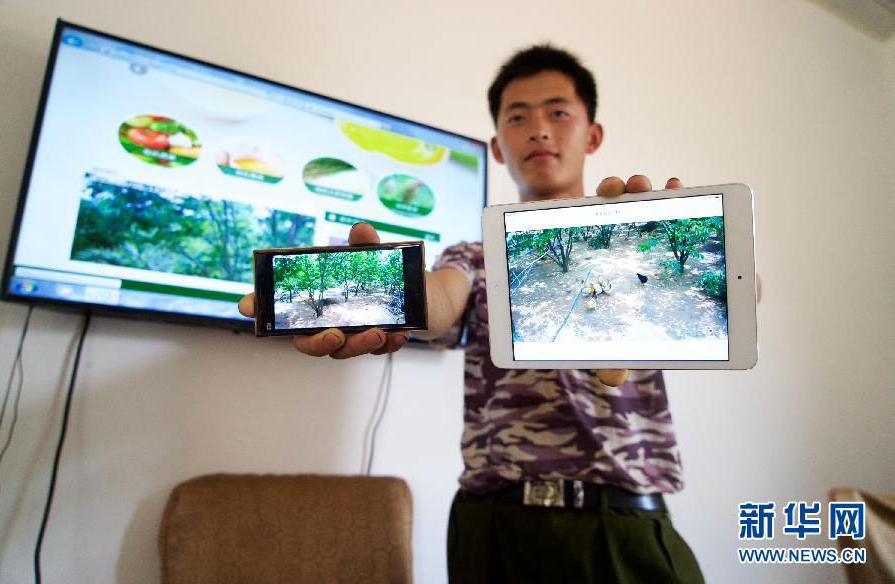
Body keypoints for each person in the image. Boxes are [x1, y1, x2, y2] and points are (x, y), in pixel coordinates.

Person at [239, 45, 704, 583]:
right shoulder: (474, 253)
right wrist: (380, 292)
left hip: (624, 524)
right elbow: (439, 298)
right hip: (494, 529)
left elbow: (747, 288)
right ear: (498, 147)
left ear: (592, 134)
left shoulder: (643, 237)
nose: (538, 129)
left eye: (558, 112)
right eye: (517, 116)